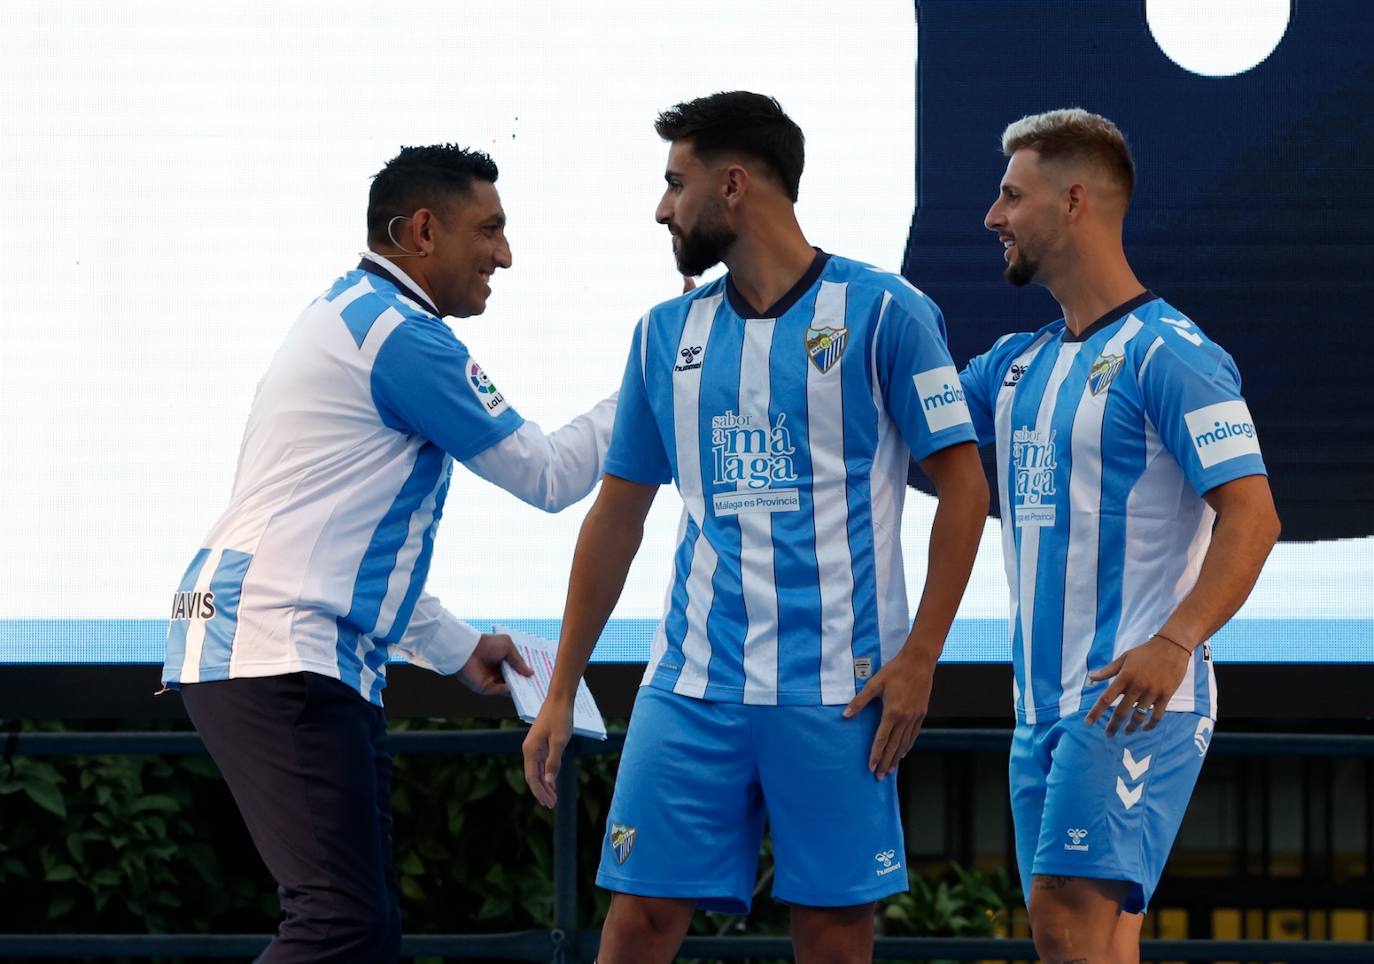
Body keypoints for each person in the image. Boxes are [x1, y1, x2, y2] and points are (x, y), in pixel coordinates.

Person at [521, 91, 989, 964]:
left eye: (675, 182)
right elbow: (616, 516)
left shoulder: (886, 312)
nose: (663, 207)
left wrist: (922, 654)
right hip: (692, 684)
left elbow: (964, 488)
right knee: (636, 925)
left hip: (838, 690)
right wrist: (560, 689)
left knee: (834, 936)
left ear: (732, 185)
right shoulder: (666, 332)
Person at [161, 144, 616, 962]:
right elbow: (549, 477)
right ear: (419, 231)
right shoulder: (402, 337)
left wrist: (457, 647)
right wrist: (659, 376)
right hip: (280, 654)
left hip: (272, 646)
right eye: (490, 230)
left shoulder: (353, 312)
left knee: (361, 934)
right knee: (343, 927)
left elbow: (336, 539)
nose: (504, 256)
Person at [958, 109, 1281, 964]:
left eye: (1010, 196)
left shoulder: (1171, 354)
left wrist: (1177, 640)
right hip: (1042, 706)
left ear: (1073, 203)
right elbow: (895, 417)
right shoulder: (1015, 365)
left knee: (1069, 928)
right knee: (1079, 941)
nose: (993, 217)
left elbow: (1256, 516)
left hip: (1137, 700)